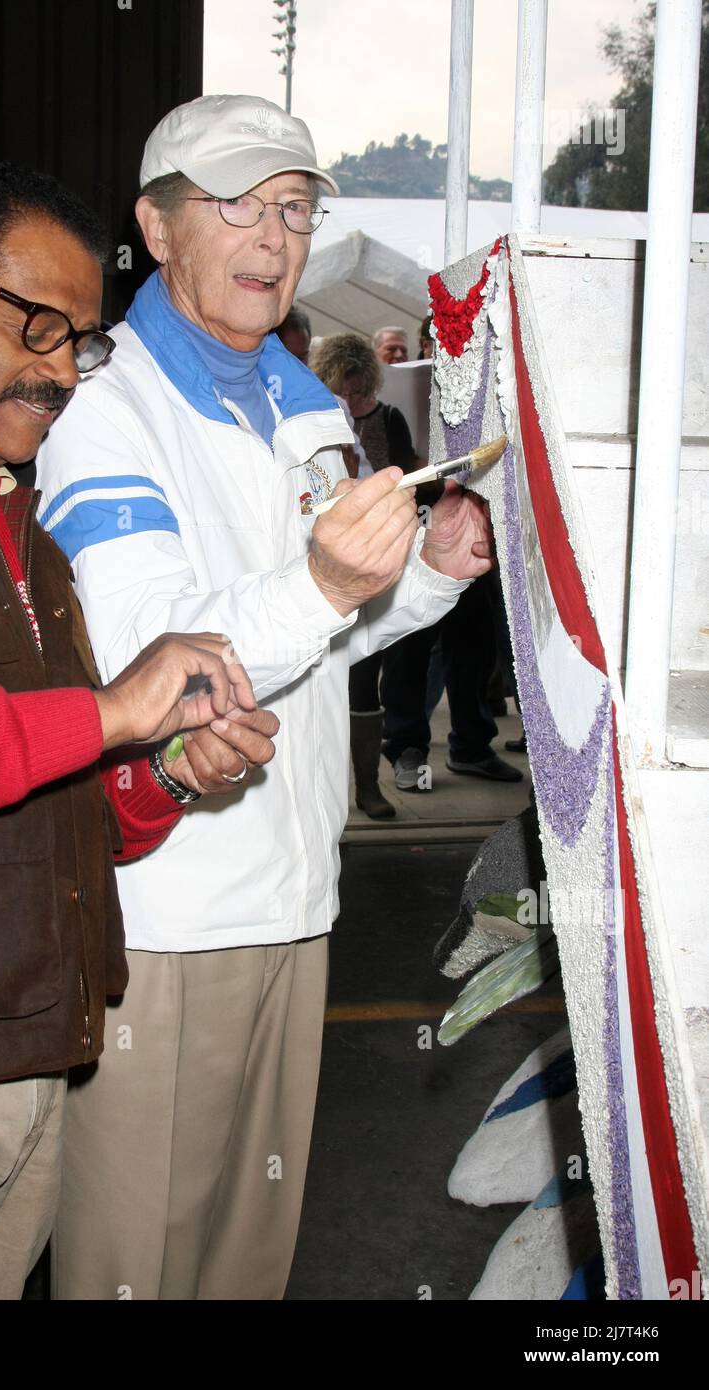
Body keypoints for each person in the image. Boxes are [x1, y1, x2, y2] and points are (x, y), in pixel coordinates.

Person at [36, 93, 493, 1300]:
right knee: (132, 1269)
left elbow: (326, 634)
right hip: (164, 915)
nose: (270, 237)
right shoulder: (100, 406)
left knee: (249, 1262)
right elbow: (161, 664)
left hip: (294, 894)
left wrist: (428, 582)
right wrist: (323, 577)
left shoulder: (299, 402)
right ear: (157, 224)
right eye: (233, 206)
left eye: (292, 208)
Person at [0, 160, 277, 1301]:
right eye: (35, 326)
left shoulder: (16, 527)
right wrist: (112, 709)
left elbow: (59, 800)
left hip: (26, 1074)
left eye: (79, 343)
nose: (58, 372)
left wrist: (170, 771)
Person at [310, 331, 421, 817]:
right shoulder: (317, 424)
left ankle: (371, 783)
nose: (353, 401)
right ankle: (345, 788)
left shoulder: (389, 418)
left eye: (360, 391)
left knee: (385, 668)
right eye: (344, 391)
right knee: (345, 675)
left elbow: (405, 478)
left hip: (384, 554)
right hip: (330, 561)